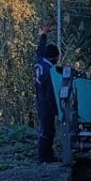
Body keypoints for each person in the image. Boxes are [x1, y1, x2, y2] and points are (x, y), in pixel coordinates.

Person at [34, 29, 61, 163]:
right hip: (46, 104)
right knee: (48, 131)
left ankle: (45, 155)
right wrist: (57, 109)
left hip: (39, 100)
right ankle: (45, 156)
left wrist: (44, 34)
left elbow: (40, 49)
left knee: (44, 129)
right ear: (54, 57)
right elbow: (51, 93)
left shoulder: (39, 61)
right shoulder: (50, 72)